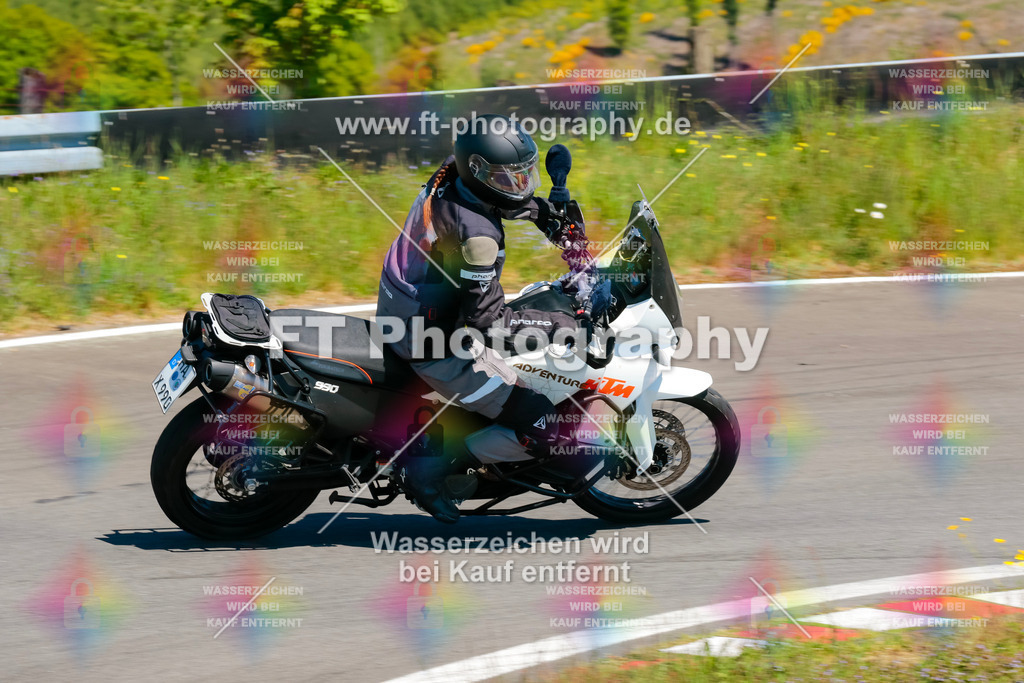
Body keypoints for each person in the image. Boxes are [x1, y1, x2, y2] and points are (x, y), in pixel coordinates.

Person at [376, 114, 584, 522]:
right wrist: (563, 327)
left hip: (407, 306)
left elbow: (504, 200)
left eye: (524, 174)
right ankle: (428, 475)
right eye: (508, 178)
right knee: (542, 422)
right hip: (434, 341)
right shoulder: (477, 239)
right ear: (478, 172)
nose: (519, 186)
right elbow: (489, 323)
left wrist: (554, 221)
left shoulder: (452, 176)